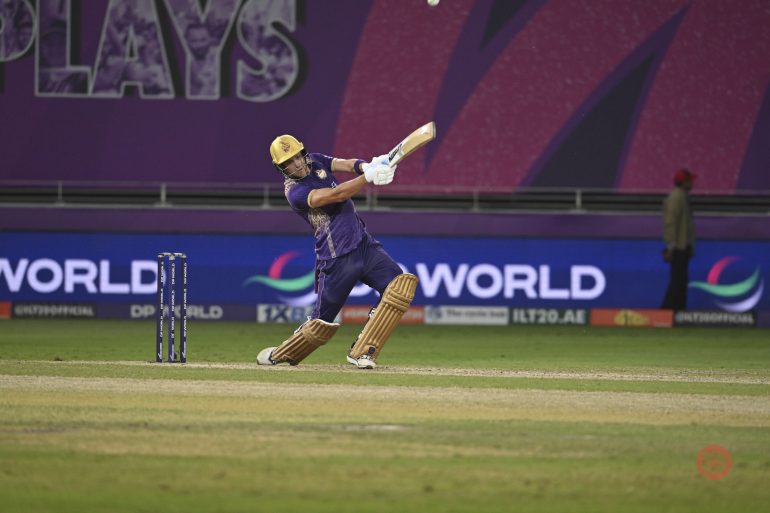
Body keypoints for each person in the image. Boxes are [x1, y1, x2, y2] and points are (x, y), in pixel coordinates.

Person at [256, 135, 419, 369]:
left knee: (398, 287)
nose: (298, 164)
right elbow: (336, 195)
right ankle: (281, 353)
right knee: (321, 325)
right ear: (281, 168)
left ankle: (363, 350)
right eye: (289, 162)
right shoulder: (295, 193)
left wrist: (368, 165)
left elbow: (345, 163)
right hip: (336, 259)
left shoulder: (316, 161)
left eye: (298, 157)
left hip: (364, 244)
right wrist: (368, 177)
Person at [661, 167, 696, 310]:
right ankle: (667, 311)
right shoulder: (676, 198)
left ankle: (679, 311)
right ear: (684, 182)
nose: (692, 183)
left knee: (681, 281)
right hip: (678, 247)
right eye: (690, 180)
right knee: (678, 281)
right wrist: (671, 245)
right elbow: (670, 222)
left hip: (682, 247)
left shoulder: (681, 197)